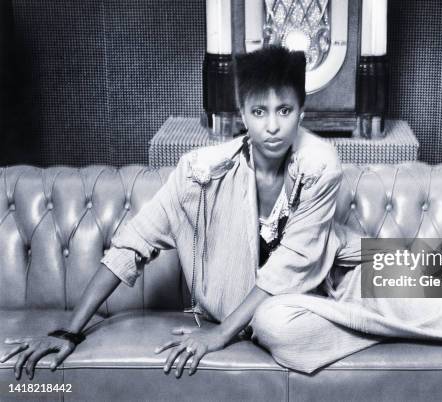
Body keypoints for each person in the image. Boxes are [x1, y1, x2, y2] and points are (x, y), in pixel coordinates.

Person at [1, 45, 344, 379]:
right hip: (286, 312)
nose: (272, 126)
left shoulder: (319, 165)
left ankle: (391, 301)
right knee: (275, 324)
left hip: (341, 275)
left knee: (396, 281)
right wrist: (69, 331)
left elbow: (287, 269)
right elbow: (132, 244)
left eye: (284, 110)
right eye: (259, 111)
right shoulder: (202, 174)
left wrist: (219, 335)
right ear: (242, 113)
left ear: (302, 111)